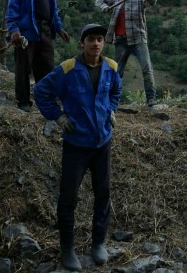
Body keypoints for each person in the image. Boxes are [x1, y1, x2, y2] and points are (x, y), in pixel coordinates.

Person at [35, 23, 120, 271]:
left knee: (103, 194)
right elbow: (41, 91)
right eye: (91, 39)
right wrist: (58, 117)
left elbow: (116, 91)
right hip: (76, 146)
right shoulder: (67, 69)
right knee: (69, 197)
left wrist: (112, 110)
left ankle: (98, 244)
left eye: (100, 39)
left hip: (102, 143)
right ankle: (67, 248)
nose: (96, 44)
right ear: (81, 43)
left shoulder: (111, 68)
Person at [6, 0, 70, 111]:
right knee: (23, 68)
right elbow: (12, 9)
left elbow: (52, 9)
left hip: (45, 30)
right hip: (26, 33)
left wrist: (59, 28)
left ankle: (46, 100)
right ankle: (24, 102)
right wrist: (14, 30)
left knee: (47, 67)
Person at [94, 0, 159, 106]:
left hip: (138, 39)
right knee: (117, 72)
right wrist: (104, 7)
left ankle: (151, 100)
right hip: (121, 40)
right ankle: (111, 101)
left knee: (147, 69)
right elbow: (99, 1)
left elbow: (153, 1)